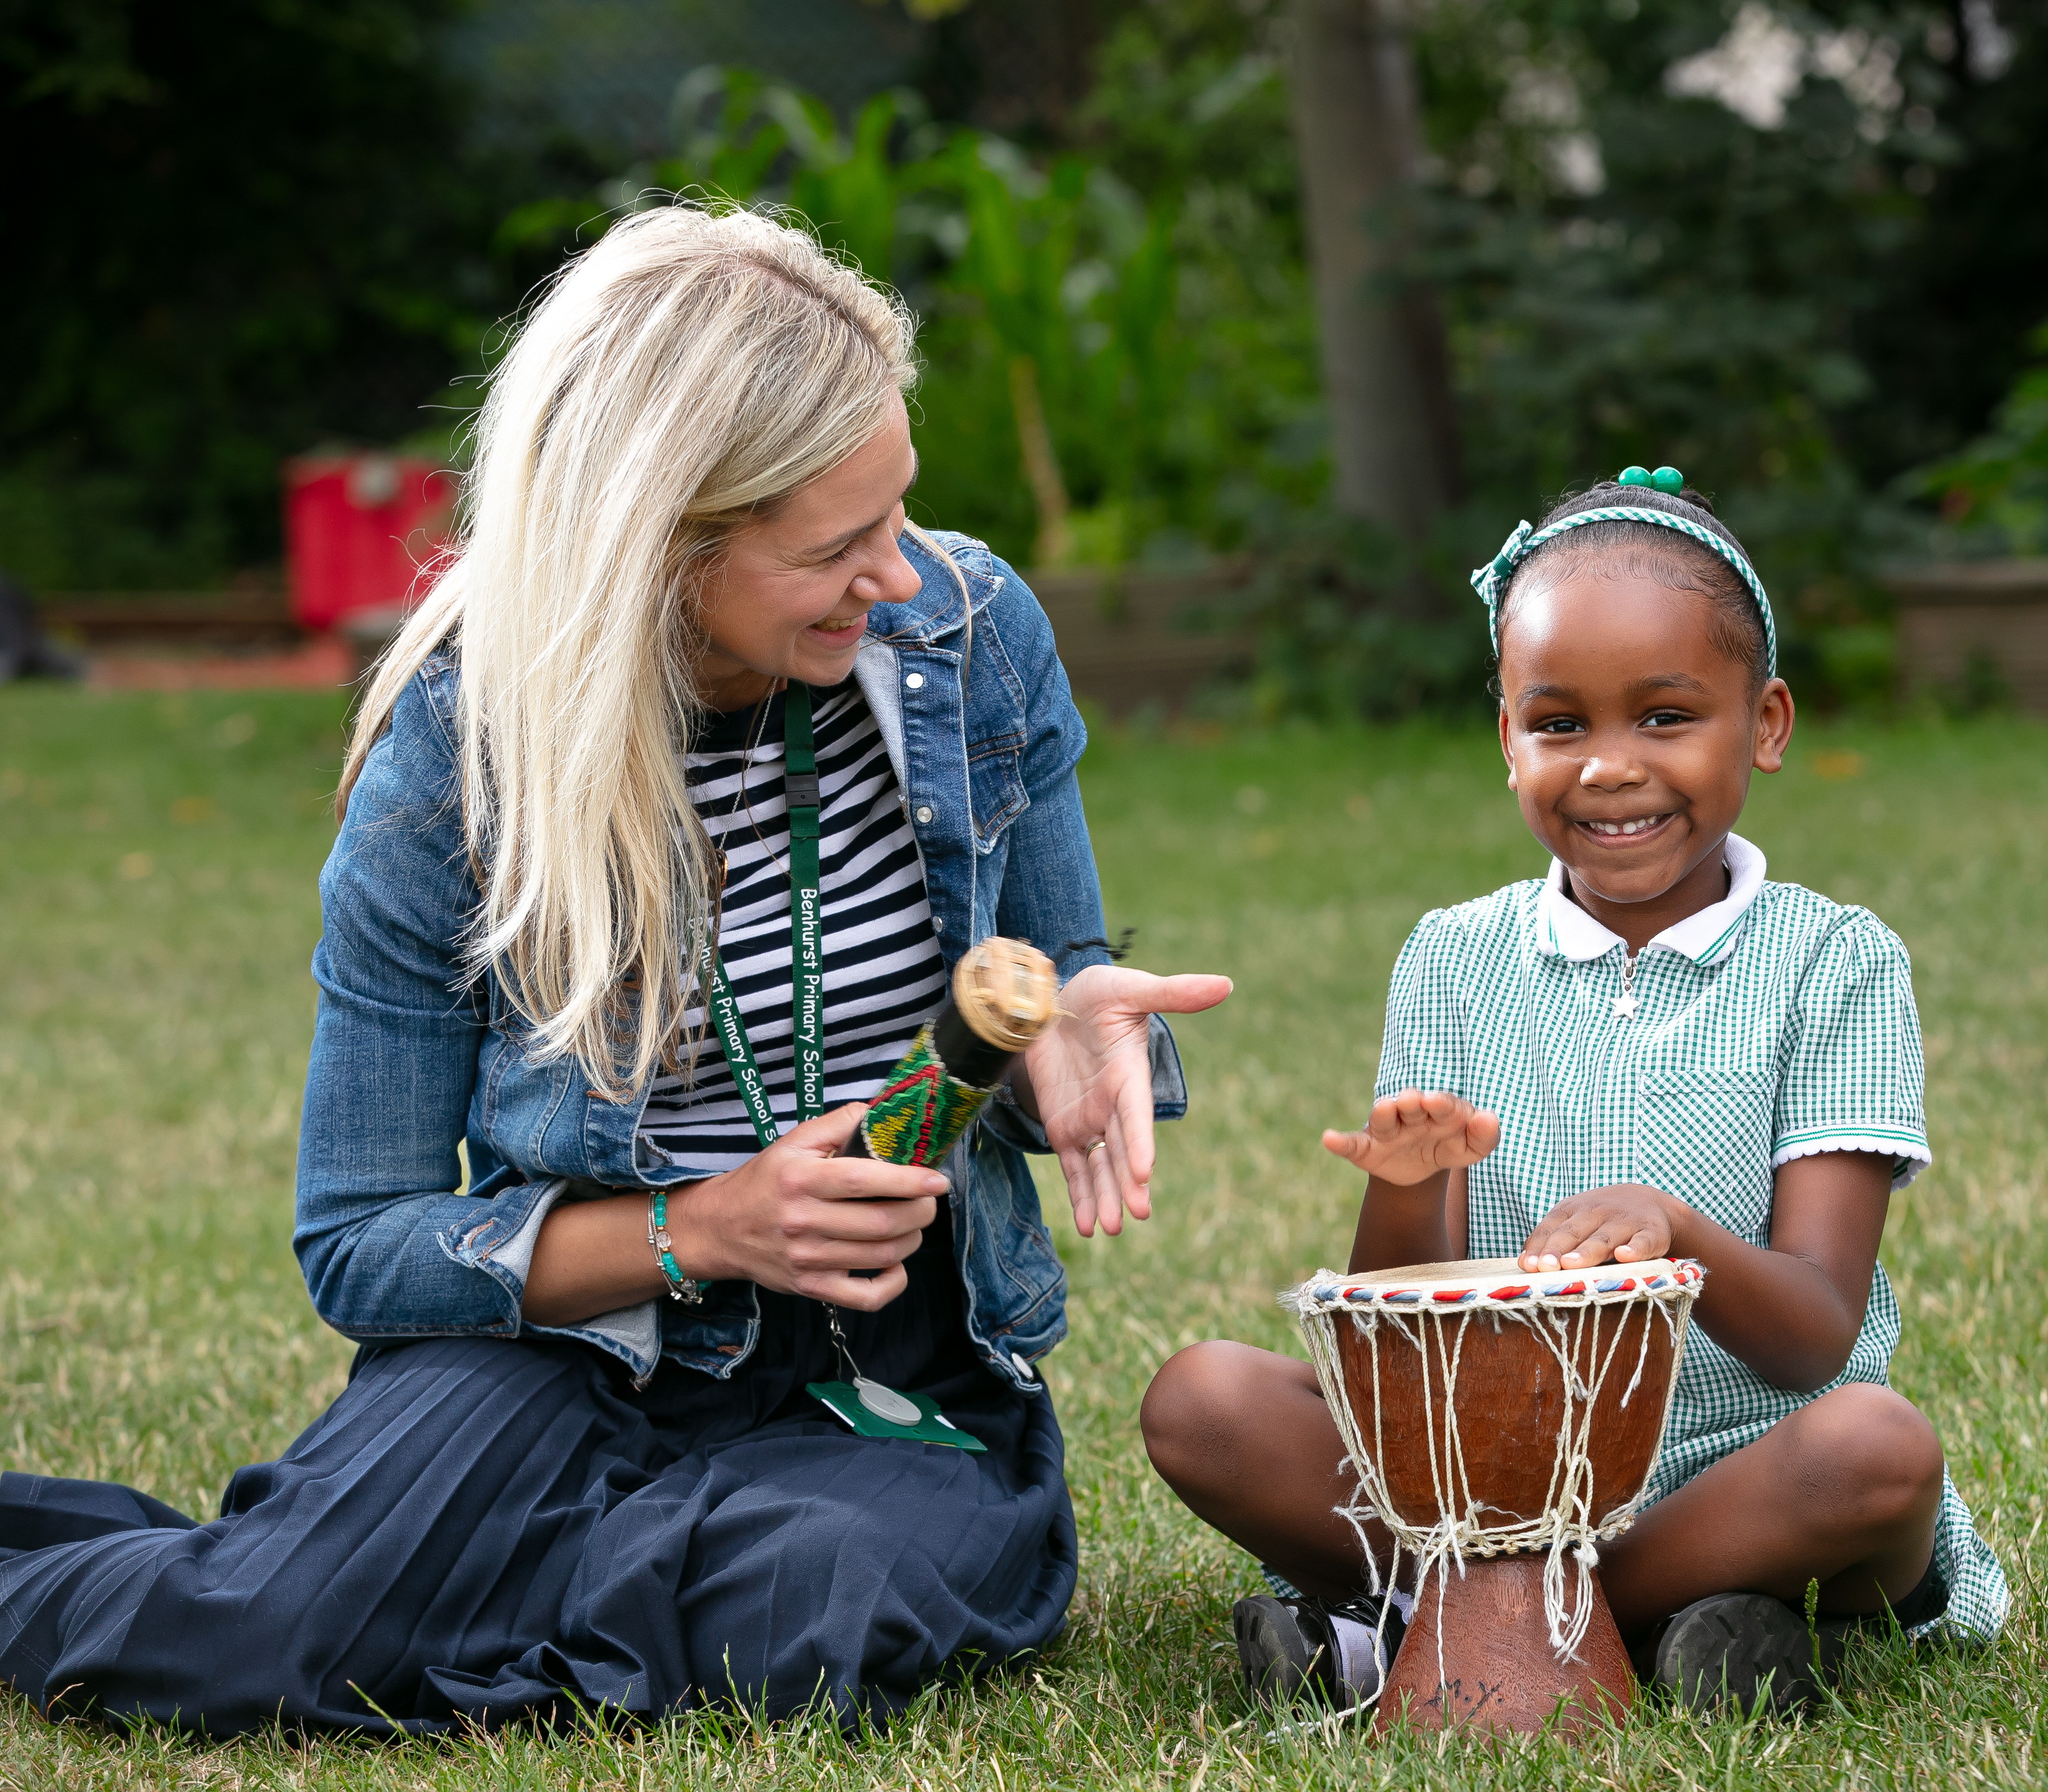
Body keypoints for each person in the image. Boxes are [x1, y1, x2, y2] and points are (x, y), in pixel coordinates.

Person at [0, 203, 1229, 1735]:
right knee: (248, 1639)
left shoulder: (974, 639)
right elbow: (360, 1244)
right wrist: (705, 1227)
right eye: (835, 549)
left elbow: (1049, 995)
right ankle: (456, 1558)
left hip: (877, 1356)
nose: (901, 577)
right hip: (572, 1346)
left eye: (900, 511)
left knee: (804, 1616)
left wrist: (1080, 1036)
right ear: (660, 543)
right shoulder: (457, 759)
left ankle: (497, 1568)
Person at [1138, 469, 2008, 1717]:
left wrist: (1679, 1229)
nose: (1609, 767)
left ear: (1766, 724)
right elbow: (1393, 1339)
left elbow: (1817, 1331)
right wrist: (1411, 1186)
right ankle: (1672, 1632)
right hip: (1485, 1470)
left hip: (1742, 1473)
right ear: (1508, 740)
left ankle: (1431, 1629)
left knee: (1877, 1452)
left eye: (1665, 716)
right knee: (1202, 1402)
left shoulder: (1836, 961)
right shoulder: (1452, 957)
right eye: (1559, 724)